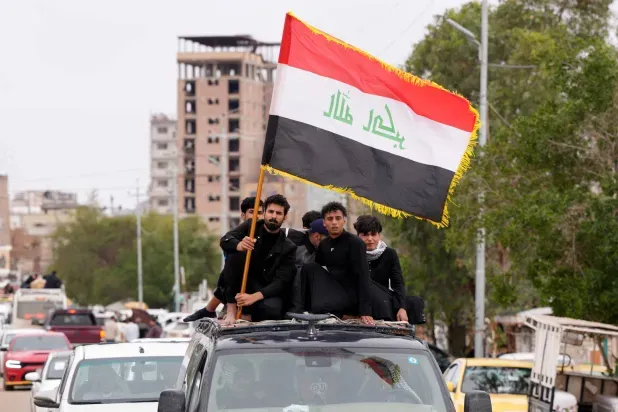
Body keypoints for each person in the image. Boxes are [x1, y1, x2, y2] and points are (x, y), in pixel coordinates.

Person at [219, 194, 297, 325]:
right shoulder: (251, 226)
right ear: (264, 212)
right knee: (235, 253)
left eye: (278, 213)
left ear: (285, 217)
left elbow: (281, 282)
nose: (273, 216)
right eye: (270, 211)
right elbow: (225, 240)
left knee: (274, 310)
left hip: (265, 290)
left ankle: (246, 316)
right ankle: (231, 311)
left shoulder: (289, 247)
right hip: (243, 284)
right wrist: (239, 245)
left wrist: (253, 297)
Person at [183, 197, 264, 322]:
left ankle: (210, 309)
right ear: (243, 215)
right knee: (232, 259)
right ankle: (214, 309)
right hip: (236, 289)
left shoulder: (267, 231)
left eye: (260, 213)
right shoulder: (243, 230)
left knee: (233, 261)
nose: (256, 217)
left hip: (260, 285)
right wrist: (239, 245)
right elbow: (225, 240)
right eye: (252, 212)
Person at [298, 202, 374, 325]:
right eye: (330, 219)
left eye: (338, 218)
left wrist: (365, 311)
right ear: (324, 223)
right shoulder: (324, 244)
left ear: (344, 221)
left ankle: (340, 313)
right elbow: (318, 273)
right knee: (308, 268)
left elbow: (364, 276)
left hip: (350, 296)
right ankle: (303, 310)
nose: (334, 222)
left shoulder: (355, 243)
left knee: (320, 306)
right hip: (332, 289)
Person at [353, 215, 425, 324]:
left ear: (379, 235)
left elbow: (398, 283)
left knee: (415, 302)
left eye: (373, 234)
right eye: (365, 235)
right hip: (360, 300)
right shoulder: (353, 254)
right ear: (358, 236)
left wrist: (402, 307)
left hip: (382, 300)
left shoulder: (389, 254)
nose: (370, 239)